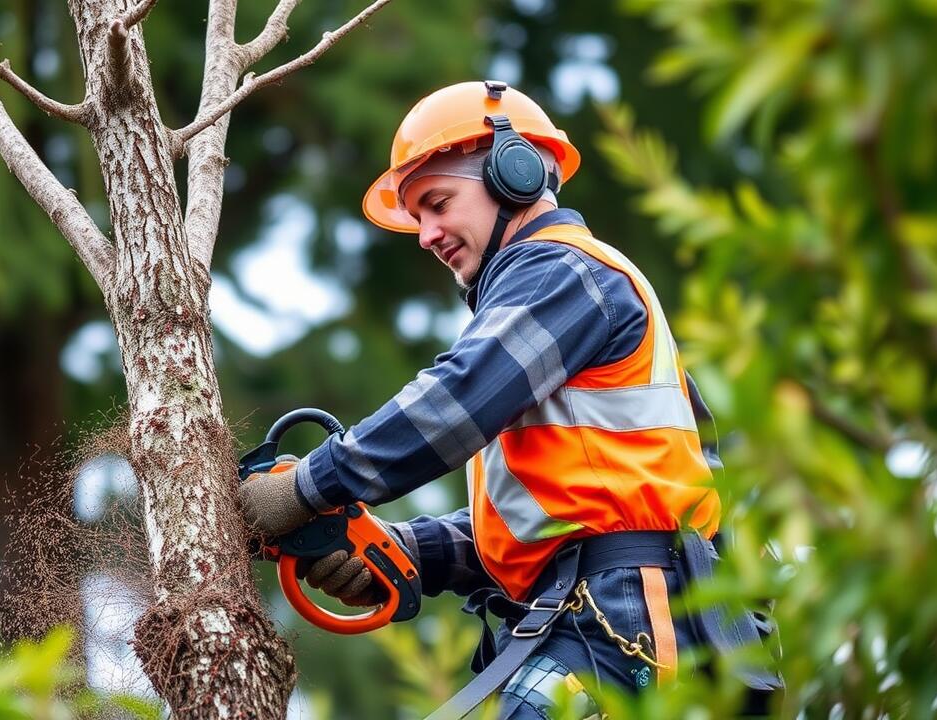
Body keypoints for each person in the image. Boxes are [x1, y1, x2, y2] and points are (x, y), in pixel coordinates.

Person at [240, 81, 780, 718]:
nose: (426, 234)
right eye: (416, 217)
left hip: (627, 611)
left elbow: (454, 403)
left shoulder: (565, 273)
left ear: (514, 173)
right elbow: (550, 521)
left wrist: (306, 487)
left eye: (438, 204)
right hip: (595, 608)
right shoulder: (550, 304)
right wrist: (408, 550)